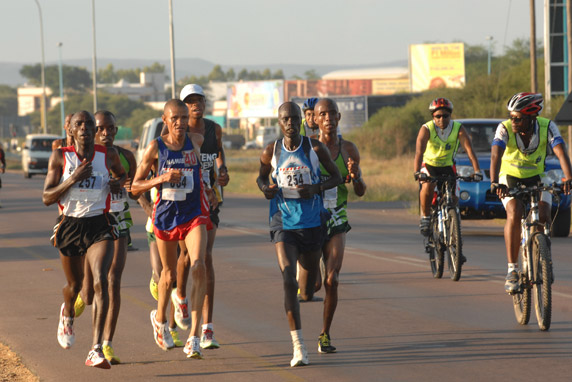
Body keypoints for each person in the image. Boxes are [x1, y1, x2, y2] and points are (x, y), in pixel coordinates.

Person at [256, 101, 341, 367]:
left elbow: (337, 177)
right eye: (285, 119)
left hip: (312, 224)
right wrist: (265, 188)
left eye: (294, 118)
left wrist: (315, 189)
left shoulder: (314, 148)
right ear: (279, 122)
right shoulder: (271, 150)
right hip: (283, 222)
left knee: (307, 289)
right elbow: (260, 178)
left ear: (301, 121)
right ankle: (298, 346)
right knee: (287, 281)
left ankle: (304, 282)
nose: (290, 123)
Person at [42, 110, 126, 369]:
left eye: (89, 124)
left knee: (101, 279)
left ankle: (96, 348)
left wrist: (117, 183)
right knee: (76, 286)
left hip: (99, 224)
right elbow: (47, 197)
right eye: (80, 124)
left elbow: (123, 175)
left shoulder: (107, 155)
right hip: (70, 226)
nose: (85, 128)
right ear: (72, 130)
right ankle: (67, 311)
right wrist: (73, 179)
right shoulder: (60, 157)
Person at [131, 99, 211, 359]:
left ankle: (194, 337)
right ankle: (160, 319)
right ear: (164, 120)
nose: (180, 122)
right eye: (174, 118)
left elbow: (203, 169)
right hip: (166, 216)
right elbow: (134, 187)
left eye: (183, 118)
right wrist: (162, 178)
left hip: (193, 214)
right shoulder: (156, 148)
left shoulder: (196, 141)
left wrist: (208, 185)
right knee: (167, 276)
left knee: (198, 266)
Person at [490, 92, 572, 292]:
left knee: (543, 214)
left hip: (537, 175)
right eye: (511, 117)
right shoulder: (504, 128)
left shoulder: (547, 126)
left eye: (518, 118)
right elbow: (495, 154)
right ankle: (512, 269)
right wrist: (494, 182)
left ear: (531, 117)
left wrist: (569, 177)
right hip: (509, 177)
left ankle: (543, 258)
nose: (513, 121)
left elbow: (561, 151)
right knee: (515, 210)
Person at [82, 110, 137, 364]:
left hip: (118, 218)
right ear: (94, 130)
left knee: (113, 279)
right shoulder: (87, 156)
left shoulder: (125, 156)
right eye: (101, 129)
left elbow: (133, 188)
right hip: (91, 220)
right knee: (92, 286)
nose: (106, 134)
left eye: (111, 128)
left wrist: (123, 184)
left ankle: (107, 343)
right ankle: (80, 295)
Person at [179, 84, 230, 350]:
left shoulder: (213, 129)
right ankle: (181, 297)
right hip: (184, 201)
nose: (196, 105)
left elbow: (218, 154)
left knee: (205, 258)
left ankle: (207, 328)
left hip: (209, 200)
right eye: (190, 101)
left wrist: (222, 170)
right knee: (186, 258)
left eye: (199, 100)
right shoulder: (178, 131)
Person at [315, 98, 366, 353]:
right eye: (322, 114)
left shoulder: (348, 149)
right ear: (314, 120)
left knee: (332, 279)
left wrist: (355, 176)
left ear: (338, 118)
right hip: (311, 217)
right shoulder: (309, 149)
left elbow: (361, 191)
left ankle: (325, 334)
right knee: (312, 284)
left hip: (337, 216)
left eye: (332, 114)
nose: (328, 119)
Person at [414, 98, 481, 238]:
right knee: (427, 186)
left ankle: (454, 241)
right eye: (438, 116)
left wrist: (477, 171)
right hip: (429, 166)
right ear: (433, 117)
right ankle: (425, 217)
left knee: (454, 199)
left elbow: (469, 150)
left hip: (448, 166)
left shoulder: (458, 128)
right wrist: (417, 172)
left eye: (445, 116)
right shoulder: (427, 129)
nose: (442, 119)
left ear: (450, 116)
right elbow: (419, 152)